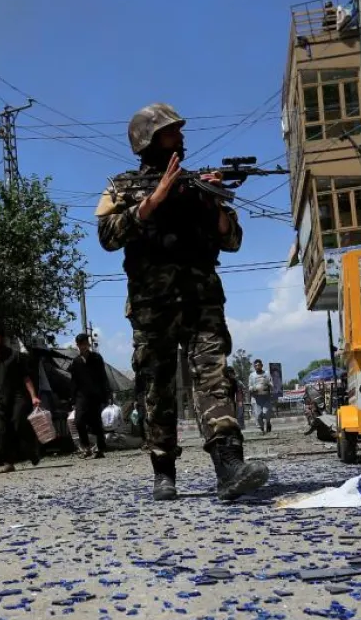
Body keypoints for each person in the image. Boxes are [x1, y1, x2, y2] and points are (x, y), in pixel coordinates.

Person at [96, 103, 269, 502]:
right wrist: (153, 201)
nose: (181, 137)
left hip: (202, 303)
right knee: (157, 389)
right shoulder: (123, 187)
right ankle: (163, 471)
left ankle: (229, 467)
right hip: (152, 308)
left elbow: (233, 239)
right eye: (172, 132)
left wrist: (212, 202)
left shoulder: (197, 185)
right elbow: (107, 237)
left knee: (214, 380)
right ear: (149, 140)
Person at [0, 329, 42, 474]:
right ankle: (8, 462)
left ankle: (31, 451)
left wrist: (33, 396)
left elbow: (26, 378)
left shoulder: (15, 356)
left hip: (16, 397)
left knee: (18, 424)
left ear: (2, 339)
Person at [68, 332, 111, 459]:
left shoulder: (96, 358)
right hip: (81, 396)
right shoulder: (76, 362)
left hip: (95, 395)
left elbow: (103, 377)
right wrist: (72, 399)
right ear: (78, 345)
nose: (83, 346)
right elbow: (74, 381)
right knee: (78, 420)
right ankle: (86, 448)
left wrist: (107, 394)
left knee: (96, 422)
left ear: (88, 344)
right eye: (81, 344)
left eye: (85, 343)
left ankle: (100, 448)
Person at [250, 359, 275, 435]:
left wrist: (267, 383)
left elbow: (272, 385)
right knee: (258, 415)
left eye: (259, 365)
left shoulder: (267, 374)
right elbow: (249, 386)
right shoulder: (252, 375)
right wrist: (254, 388)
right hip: (256, 398)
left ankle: (268, 422)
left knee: (266, 413)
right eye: (256, 365)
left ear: (262, 365)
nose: (257, 367)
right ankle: (262, 430)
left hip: (266, 397)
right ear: (254, 367)